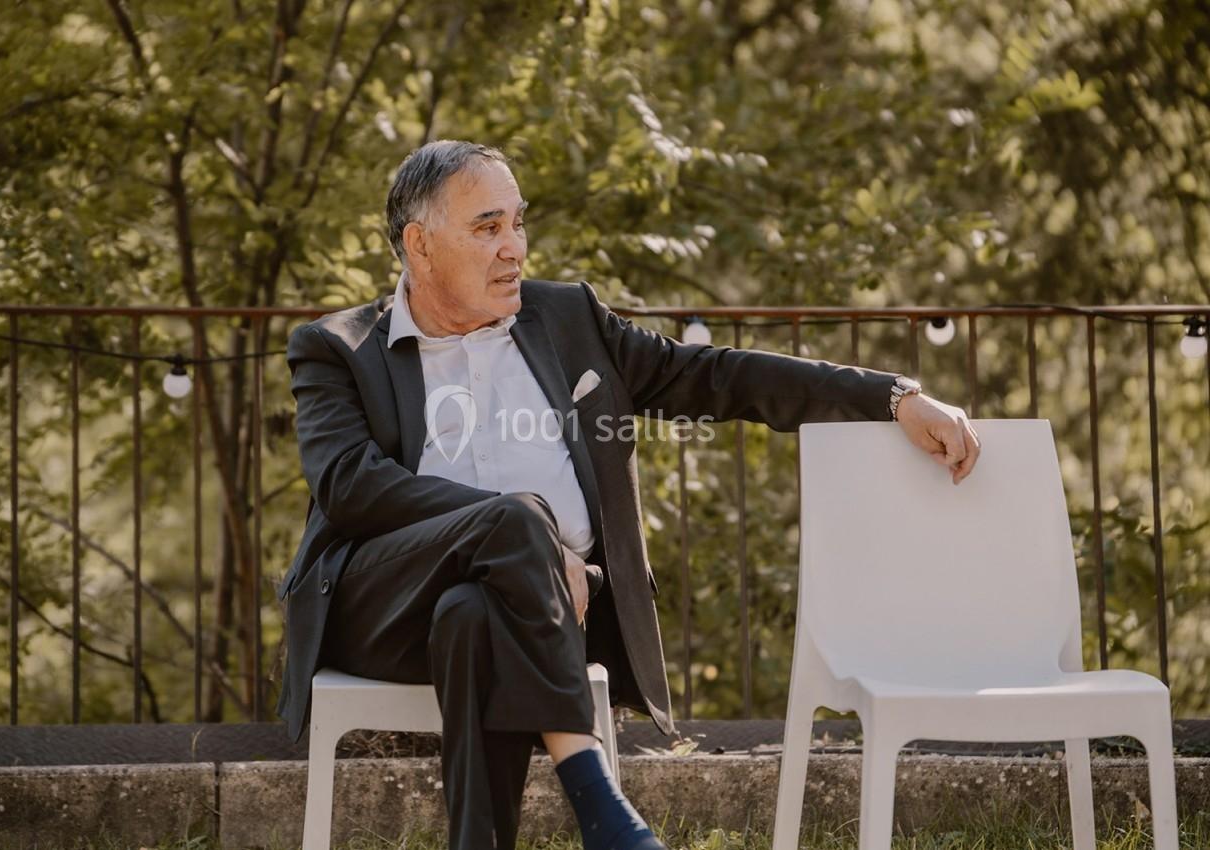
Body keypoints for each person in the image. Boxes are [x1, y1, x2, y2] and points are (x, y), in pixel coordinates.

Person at [275, 140, 981, 850]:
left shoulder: (567, 320)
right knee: (519, 521)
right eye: (488, 228)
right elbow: (351, 487)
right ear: (420, 247)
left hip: (535, 614)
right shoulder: (338, 347)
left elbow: (716, 376)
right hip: (386, 607)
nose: (514, 247)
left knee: (474, 613)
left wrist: (892, 397)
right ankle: (598, 800)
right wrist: (541, 551)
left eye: (519, 223)